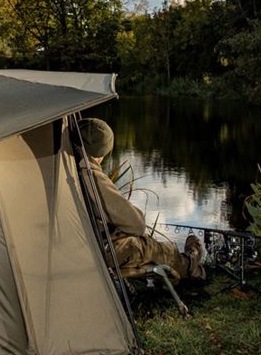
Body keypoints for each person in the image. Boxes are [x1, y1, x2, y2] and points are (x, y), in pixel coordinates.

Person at [77, 117, 206, 281]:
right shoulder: (90, 175)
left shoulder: (67, 167)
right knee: (148, 246)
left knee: (141, 241)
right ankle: (190, 264)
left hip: (83, 243)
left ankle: (189, 265)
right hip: (98, 250)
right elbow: (137, 224)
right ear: (101, 153)